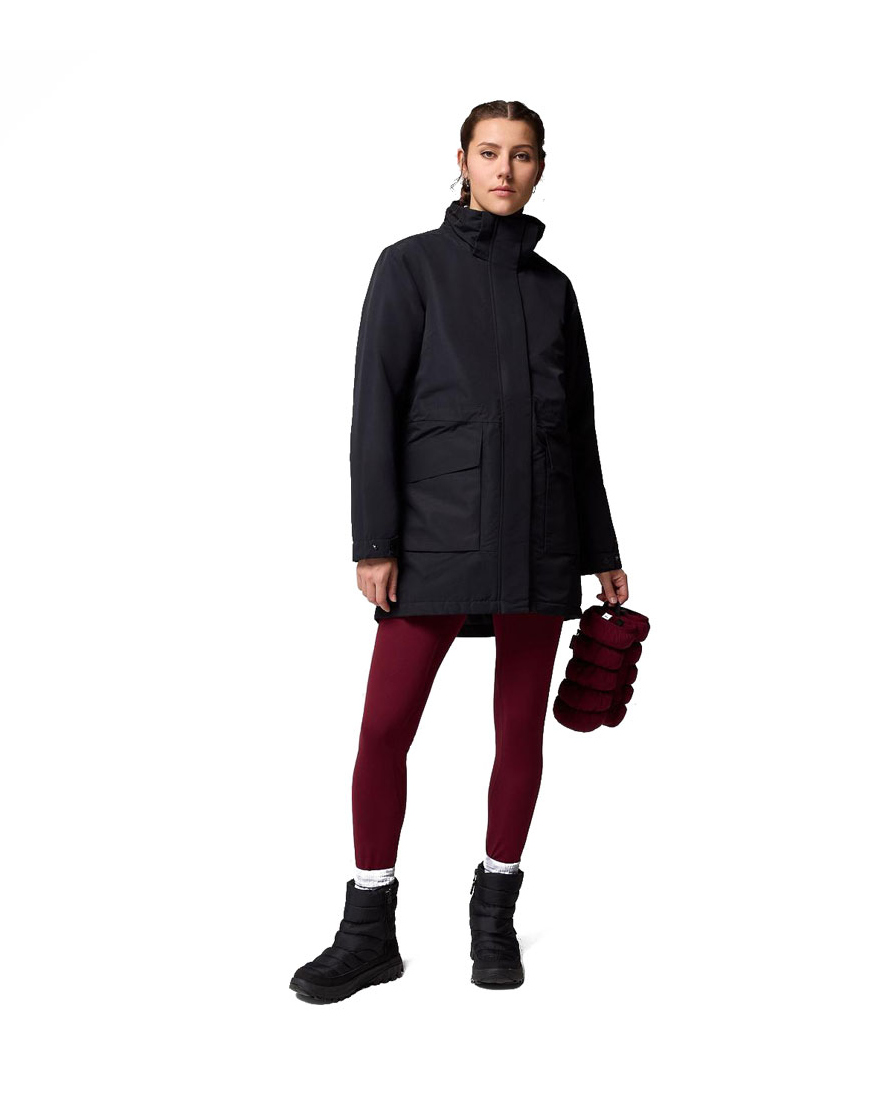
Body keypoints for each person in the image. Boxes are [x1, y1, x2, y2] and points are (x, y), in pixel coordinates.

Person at [290, 100, 628, 1003]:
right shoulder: (409, 267)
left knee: (519, 730)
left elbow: (580, 429)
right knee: (384, 729)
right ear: (462, 159)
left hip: (542, 537)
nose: (505, 170)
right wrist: (375, 540)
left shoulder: (553, 290)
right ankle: (368, 928)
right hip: (433, 534)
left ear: (541, 166)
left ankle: (494, 916)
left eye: (522, 155)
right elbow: (374, 406)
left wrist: (600, 547)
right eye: (489, 153)